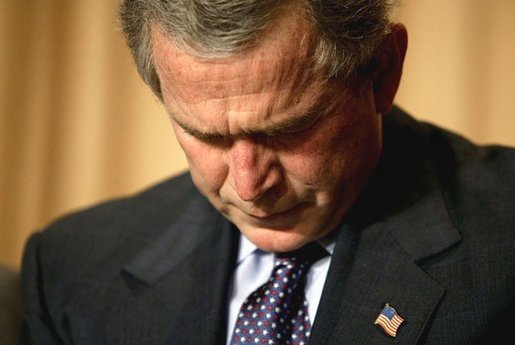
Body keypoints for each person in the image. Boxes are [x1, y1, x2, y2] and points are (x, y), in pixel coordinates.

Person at [20, 0, 515, 344]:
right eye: (207, 136)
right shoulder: (73, 271)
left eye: (287, 130)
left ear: (383, 69)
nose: (249, 186)